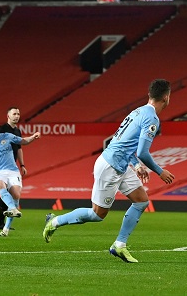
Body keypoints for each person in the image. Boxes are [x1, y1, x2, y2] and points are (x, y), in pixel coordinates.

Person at [42, 79, 175, 263]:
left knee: (141, 201)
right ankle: (54, 221)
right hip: (110, 166)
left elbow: (122, 142)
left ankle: (119, 245)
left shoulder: (137, 112)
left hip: (121, 164)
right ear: (167, 97)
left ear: (149, 95)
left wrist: (136, 165)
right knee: (97, 214)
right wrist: (160, 171)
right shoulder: (152, 118)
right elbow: (143, 152)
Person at [0, 107, 25, 230]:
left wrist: (22, 164)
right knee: (8, 193)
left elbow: (19, 148)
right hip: (1, 168)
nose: (17, 116)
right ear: (8, 116)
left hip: (12, 167)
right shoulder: (2, 130)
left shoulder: (17, 131)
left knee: (10, 193)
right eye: (14, 114)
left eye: (18, 114)